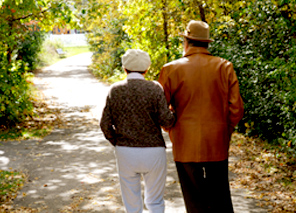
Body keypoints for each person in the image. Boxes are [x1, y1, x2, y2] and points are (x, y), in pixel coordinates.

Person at [158, 20, 244, 213]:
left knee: (194, 199)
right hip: (217, 141)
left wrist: (172, 128)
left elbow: (161, 109)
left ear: (186, 42)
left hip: (184, 142)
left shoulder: (170, 69)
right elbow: (236, 108)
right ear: (207, 43)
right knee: (221, 197)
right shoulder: (224, 67)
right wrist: (226, 129)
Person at [100, 49, 175, 213]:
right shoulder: (154, 88)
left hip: (126, 151)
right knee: (155, 202)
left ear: (124, 68)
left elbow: (105, 124)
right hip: (153, 151)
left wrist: (117, 142)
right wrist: (174, 112)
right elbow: (166, 121)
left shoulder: (115, 90)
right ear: (146, 69)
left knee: (132, 205)